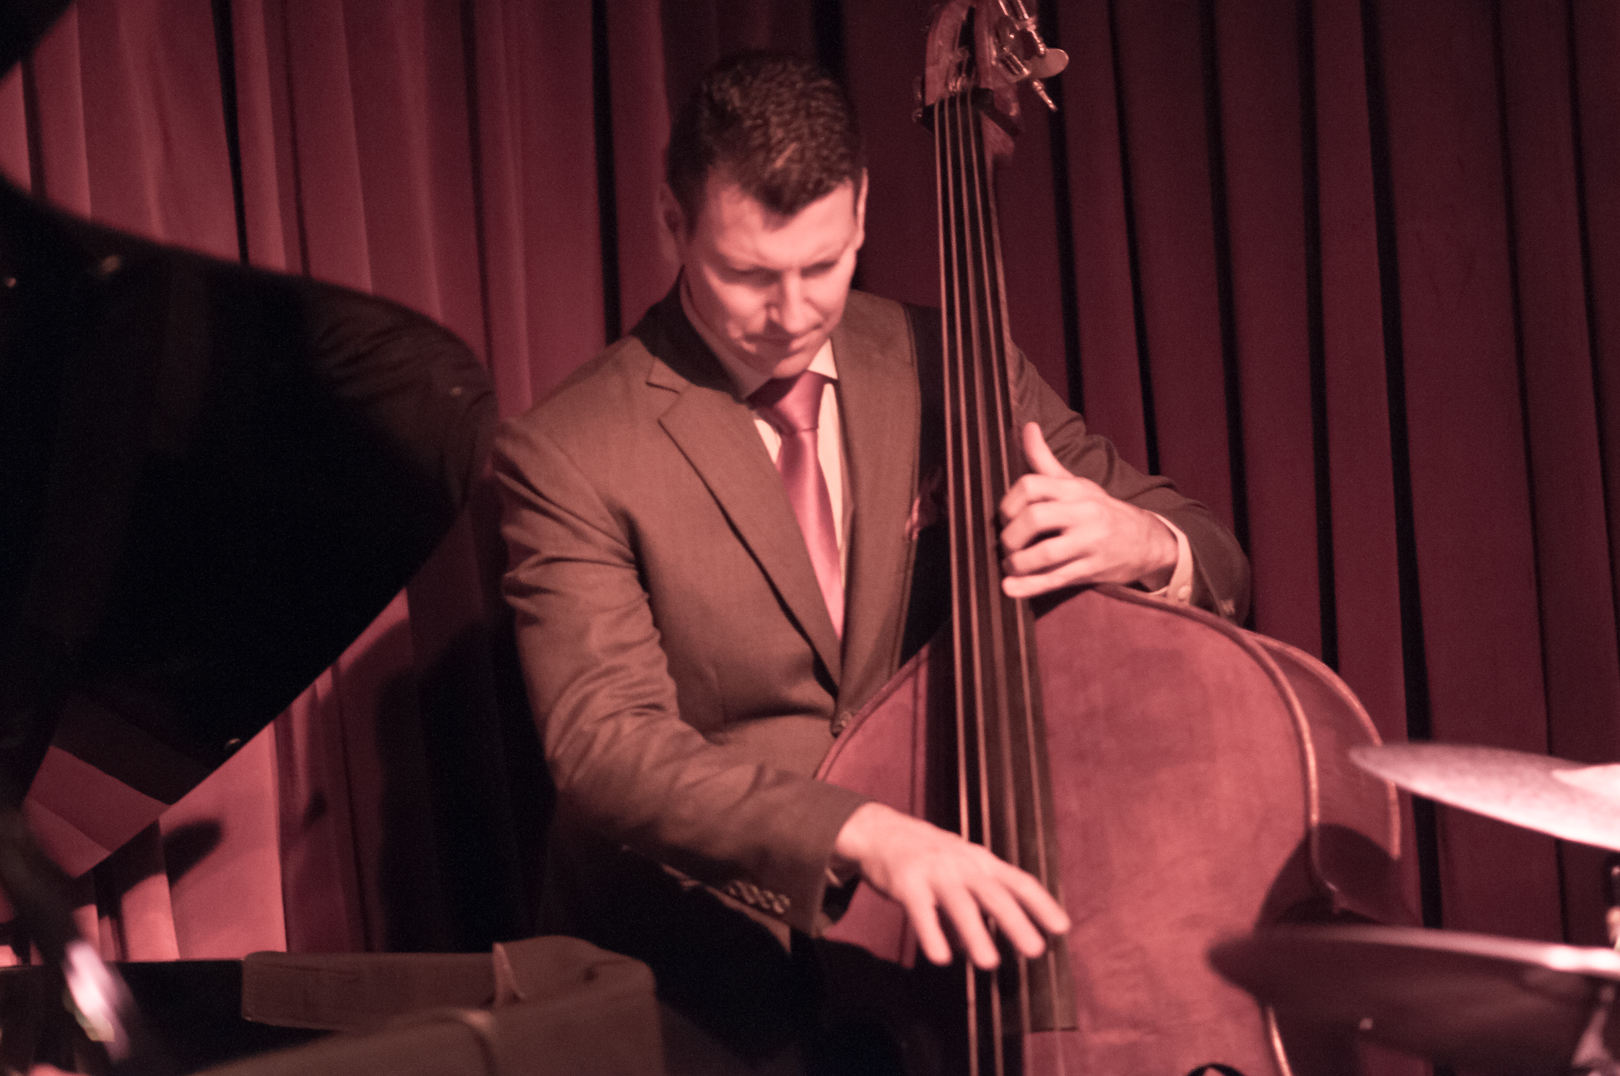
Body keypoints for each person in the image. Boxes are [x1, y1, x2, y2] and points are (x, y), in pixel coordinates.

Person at [494, 52, 1249, 1067]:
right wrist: (862, 831)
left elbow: (1211, 550)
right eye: (748, 275)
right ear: (674, 224)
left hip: (930, 964)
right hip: (701, 983)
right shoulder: (569, 449)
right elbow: (607, 748)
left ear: (860, 211)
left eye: (825, 265)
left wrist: (1144, 543)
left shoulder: (955, 364)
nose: (792, 312)